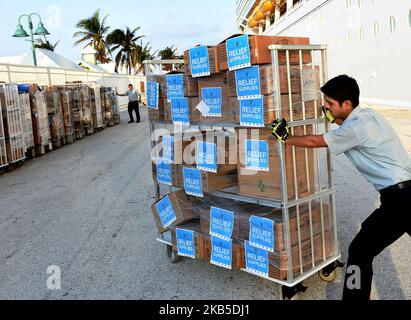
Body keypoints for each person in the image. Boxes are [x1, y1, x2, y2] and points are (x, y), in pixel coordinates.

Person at [271, 74, 411, 300]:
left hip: (400, 200)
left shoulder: (355, 129)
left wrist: (285, 137)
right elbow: (342, 127)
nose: (326, 107)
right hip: (402, 195)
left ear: (347, 104)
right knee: (362, 250)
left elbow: (315, 142)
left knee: (360, 251)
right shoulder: (367, 115)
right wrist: (334, 118)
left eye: (330, 104)